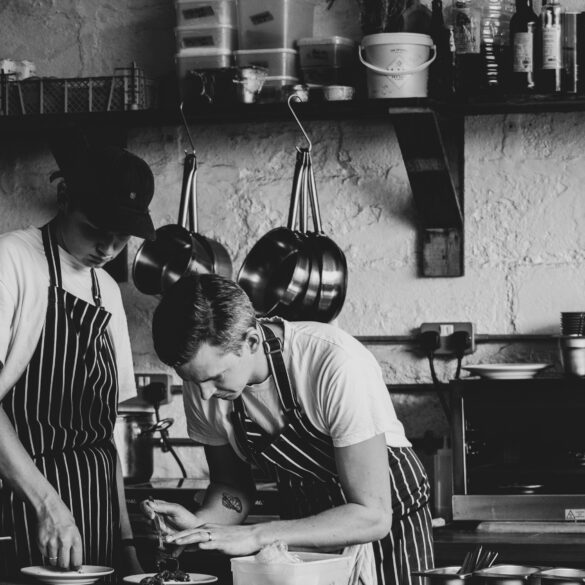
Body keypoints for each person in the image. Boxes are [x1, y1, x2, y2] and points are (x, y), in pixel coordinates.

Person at [143, 274, 434, 585]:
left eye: (217, 377)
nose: (203, 395)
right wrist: (199, 526)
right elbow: (231, 486)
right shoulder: (205, 383)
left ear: (251, 341)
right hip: (304, 527)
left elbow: (372, 515)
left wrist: (256, 535)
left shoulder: (334, 364)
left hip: (387, 526)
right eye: (192, 381)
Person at [0, 140, 156, 578]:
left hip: (96, 519)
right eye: (95, 229)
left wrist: (125, 543)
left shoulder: (105, 290)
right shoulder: (11, 260)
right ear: (65, 199)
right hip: (25, 510)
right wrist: (48, 505)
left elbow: (105, 439)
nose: (107, 248)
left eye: (121, 235)